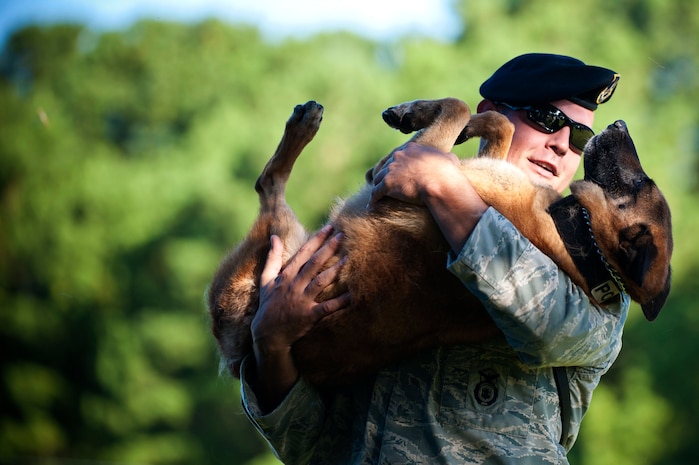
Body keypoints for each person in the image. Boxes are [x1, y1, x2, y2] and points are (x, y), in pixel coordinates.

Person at [239, 53, 626, 464]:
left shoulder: (589, 264)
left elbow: (549, 327)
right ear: (490, 115)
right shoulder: (400, 225)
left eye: (581, 136)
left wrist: (442, 185)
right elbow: (308, 446)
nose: (563, 144)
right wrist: (272, 344)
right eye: (547, 119)